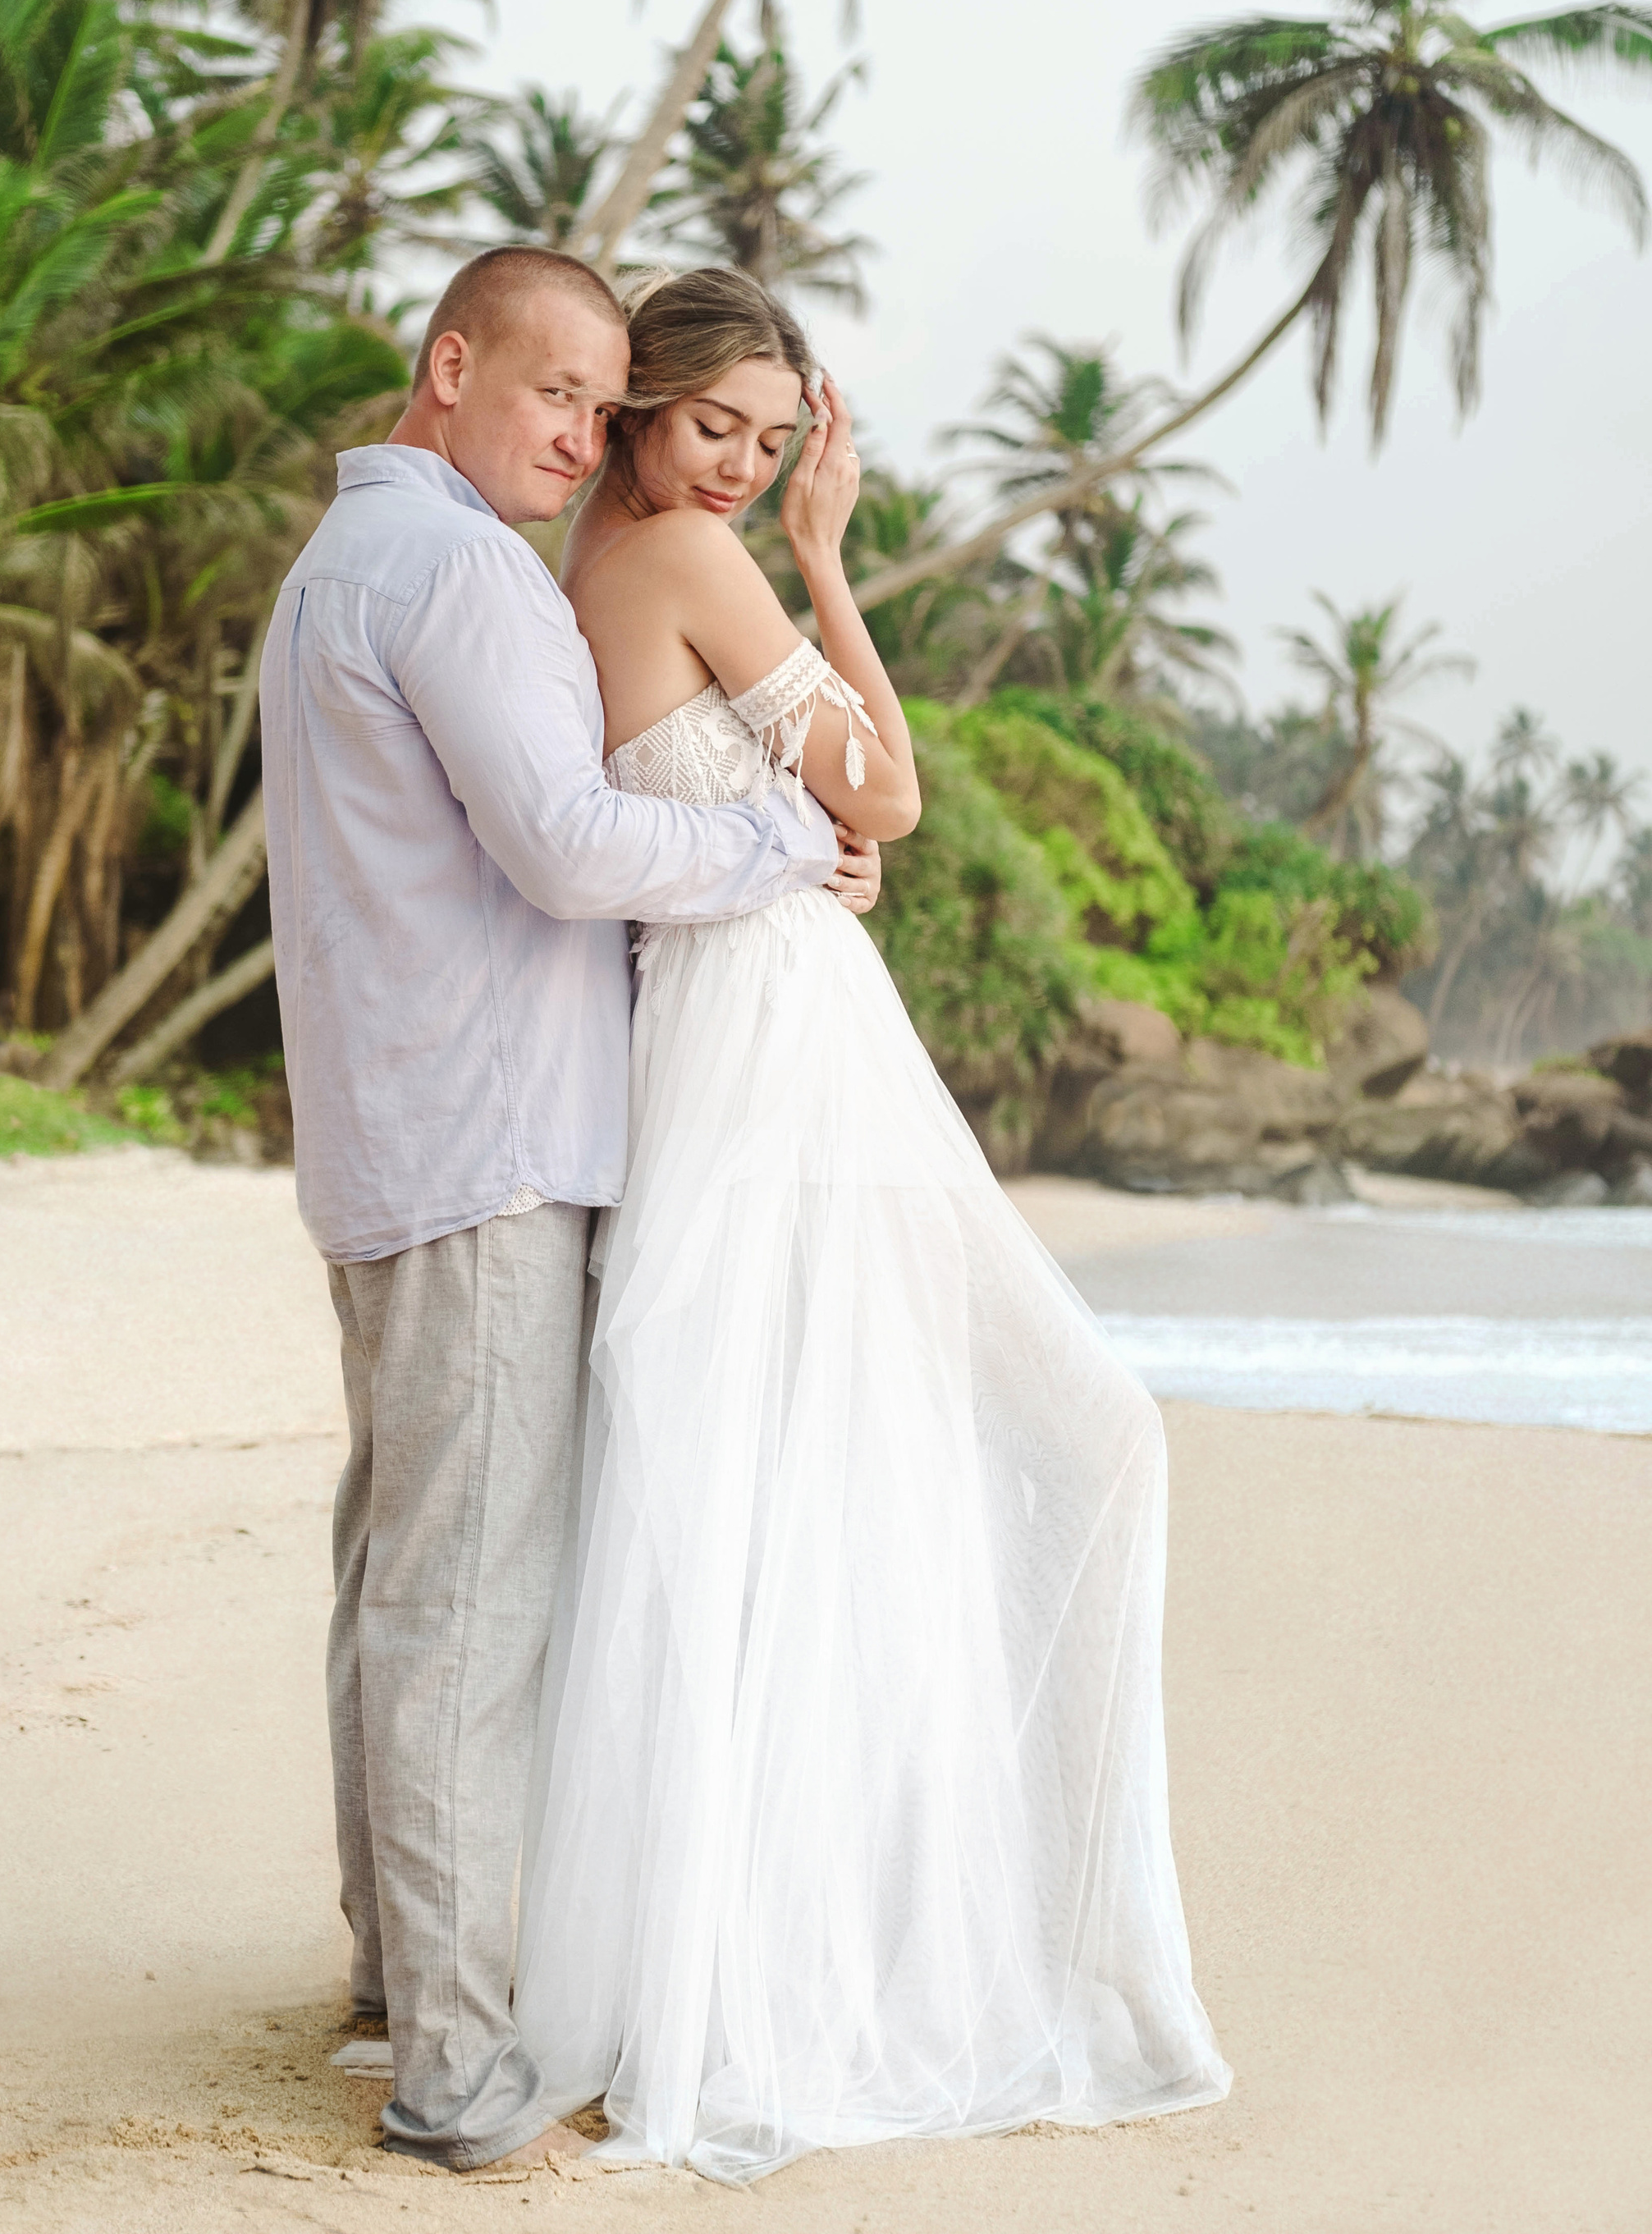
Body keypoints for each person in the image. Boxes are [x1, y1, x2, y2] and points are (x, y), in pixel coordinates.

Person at [513, 266, 1232, 2181]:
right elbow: (890, 795)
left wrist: (803, 823)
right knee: (1059, 1432)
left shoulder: (605, 556)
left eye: (773, 442)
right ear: (643, 411)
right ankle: (876, 1958)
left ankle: (751, 1950)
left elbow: (822, 824)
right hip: (779, 1049)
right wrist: (831, 563)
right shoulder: (689, 560)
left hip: (742, 1039)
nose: (740, 466)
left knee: (766, 1490)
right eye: (712, 427)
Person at [259, 248, 878, 2175]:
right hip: (488, 1146)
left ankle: (392, 1981)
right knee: (461, 1604)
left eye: (603, 407)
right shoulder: (447, 570)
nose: (580, 434)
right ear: (449, 369)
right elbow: (562, 843)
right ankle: (452, 2066)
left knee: (395, 1572)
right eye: (553, 394)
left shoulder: (335, 568)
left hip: (393, 1143)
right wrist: (788, 834)